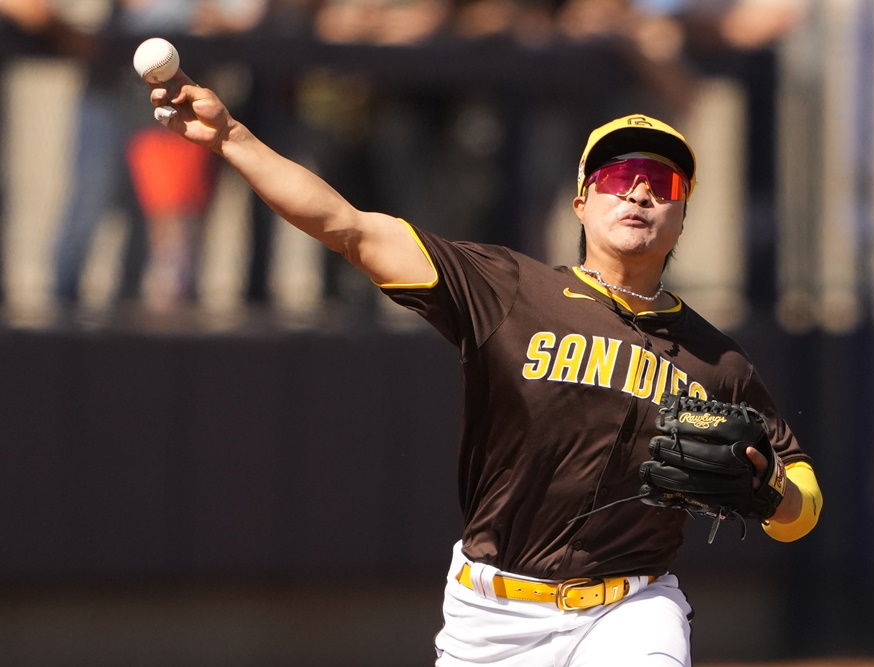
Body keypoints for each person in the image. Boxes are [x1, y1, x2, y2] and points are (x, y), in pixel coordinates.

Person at [146, 58, 823, 662]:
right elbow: (346, 226)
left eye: (662, 182)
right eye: (619, 176)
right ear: (582, 201)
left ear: (681, 214)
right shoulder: (508, 289)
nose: (640, 192)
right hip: (493, 613)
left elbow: (803, 501)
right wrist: (233, 136)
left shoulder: (717, 360)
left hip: (631, 608)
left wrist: (772, 494)